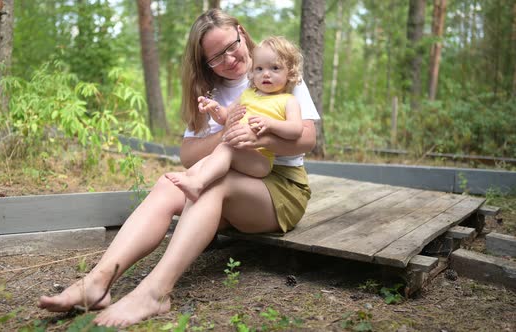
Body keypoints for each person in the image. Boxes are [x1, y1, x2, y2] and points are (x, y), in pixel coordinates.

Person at [37, 8, 320, 328]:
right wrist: (225, 134)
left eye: (230, 47)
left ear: (242, 33)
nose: (228, 60)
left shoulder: (275, 68)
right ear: (204, 61)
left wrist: (255, 137)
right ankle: (98, 282)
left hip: (278, 190)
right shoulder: (208, 92)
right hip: (230, 181)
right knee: (169, 182)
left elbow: (307, 139)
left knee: (213, 184)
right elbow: (188, 154)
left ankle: (155, 293)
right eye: (216, 57)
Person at [165, 36, 305, 202]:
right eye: (259, 69)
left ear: (290, 72)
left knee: (226, 148)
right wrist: (214, 108)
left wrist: (270, 124)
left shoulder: (288, 100)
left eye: (274, 68)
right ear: (252, 72)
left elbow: (296, 130)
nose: (266, 74)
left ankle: (197, 184)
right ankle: (192, 181)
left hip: (260, 160)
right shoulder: (247, 94)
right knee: (219, 152)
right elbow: (226, 116)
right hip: (239, 152)